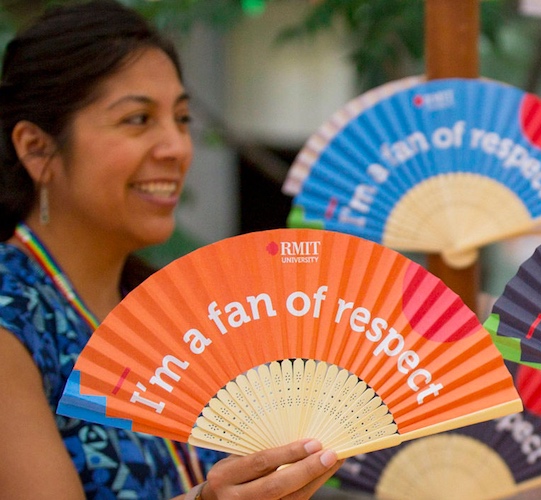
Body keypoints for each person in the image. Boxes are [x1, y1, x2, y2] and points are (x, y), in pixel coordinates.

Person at [0, 2, 343, 498]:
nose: (178, 147)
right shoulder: (12, 316)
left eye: (181, 118)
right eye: (138, 119)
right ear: (36, 148)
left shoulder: (178, 317)